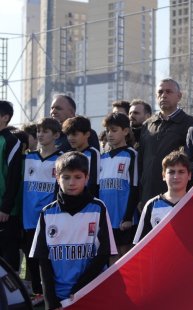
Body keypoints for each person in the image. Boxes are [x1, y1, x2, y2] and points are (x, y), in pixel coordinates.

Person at [29, 151, 116, 309]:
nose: (71, 183)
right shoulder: (47, 213)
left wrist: (81, 288)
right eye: (66, 177)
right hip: (59, 296)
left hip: (91, 290)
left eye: (77, 177)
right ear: (57, 177)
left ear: (87, 178)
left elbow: (104, 254)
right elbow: (43, 259)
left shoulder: (98, 208)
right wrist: (50, 299)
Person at [139, 78, 193, 207]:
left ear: (179, 96)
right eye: (160, 92)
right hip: (148, 197)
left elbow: (192, 162)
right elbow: (141, 162)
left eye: (168, 91)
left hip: (177, 199)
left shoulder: (191, 124)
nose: (163, 95)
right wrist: (140, 197)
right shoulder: (147, 125)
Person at [22, 117, 63, 301]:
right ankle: (38, 291)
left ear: (56, 135)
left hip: (48, 217)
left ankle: (51, 290)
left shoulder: (61, 159)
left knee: (47, 256)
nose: (40, 135)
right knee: (30, 255)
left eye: (45, 131)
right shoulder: (28, 158)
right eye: (39, 131)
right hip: (28, 216)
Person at [99, 113, 138, 260]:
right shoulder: (102, 158)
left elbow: (134, 187)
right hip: (106, 218)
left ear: (126, 131)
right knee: (109, 257)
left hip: (123, 219)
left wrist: (128, 217)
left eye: (114, 130)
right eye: (107, 130)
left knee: (125, 257)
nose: (110, 134)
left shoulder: (131, 154)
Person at [133, 151, 190, 244]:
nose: (176, 176)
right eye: (171, 172)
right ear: (163, 176)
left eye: (181, 172)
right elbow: (140, 245)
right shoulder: (152, 205)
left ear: (189, 175)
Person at [0, 101, 22, 272]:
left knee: (8, 256)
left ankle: (14, 297)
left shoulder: (11, 141)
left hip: (6, 211)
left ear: (5, 117)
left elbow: (13, 177)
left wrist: (6, 208)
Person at [62, 116, 100, 197]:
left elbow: (94, 182)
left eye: (74, 134)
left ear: (87, 134)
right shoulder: (67, 155)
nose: (70, 138)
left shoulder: (93, 153)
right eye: (68, 134)